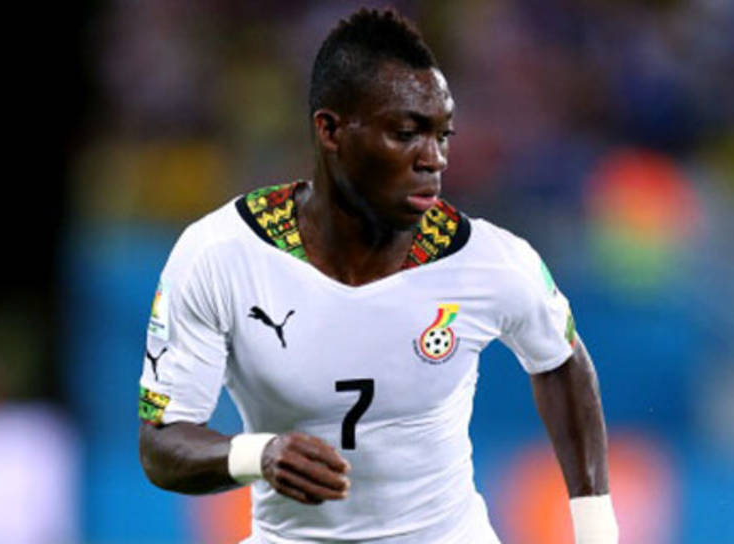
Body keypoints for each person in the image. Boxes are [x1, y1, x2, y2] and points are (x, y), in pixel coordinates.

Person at [138, 8, 618, 544]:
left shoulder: (489, 260)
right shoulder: (221, 255)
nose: (434, 159)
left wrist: (597, 530)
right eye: (406, 133)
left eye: (443, 135)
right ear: (330, 130)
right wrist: (259, 454)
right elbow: (161, 444)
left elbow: (561, 360)